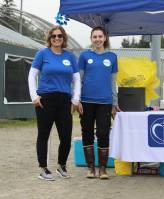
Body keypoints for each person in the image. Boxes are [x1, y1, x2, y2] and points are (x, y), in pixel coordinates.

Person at [28, 26, 81, 181]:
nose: (56, 38)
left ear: (64, 38)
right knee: (43, 135)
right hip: (46, 100)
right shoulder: (42, 54)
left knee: (66, 136)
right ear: (49, 38)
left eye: (60, 36)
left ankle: (61, 166)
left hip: (64, 100)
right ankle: (43, 169)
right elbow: (32, 76)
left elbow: (76, 79)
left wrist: (75, 99)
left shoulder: (70, 57)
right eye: (53, 36)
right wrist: (34, 96)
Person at [77, 26, 120, 179]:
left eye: (100, 36)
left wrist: (115, 103)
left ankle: (102, 169)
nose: (97, 39)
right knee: (87, 132)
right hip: (86, 101)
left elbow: (113, 81)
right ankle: (90, 168)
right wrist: (77, 100)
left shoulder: (112, 57)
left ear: (105, 38)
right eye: (94, 37)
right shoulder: (84, 56)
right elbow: (78, 80)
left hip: (105, 102)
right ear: (91, 39)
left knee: (103, 133)